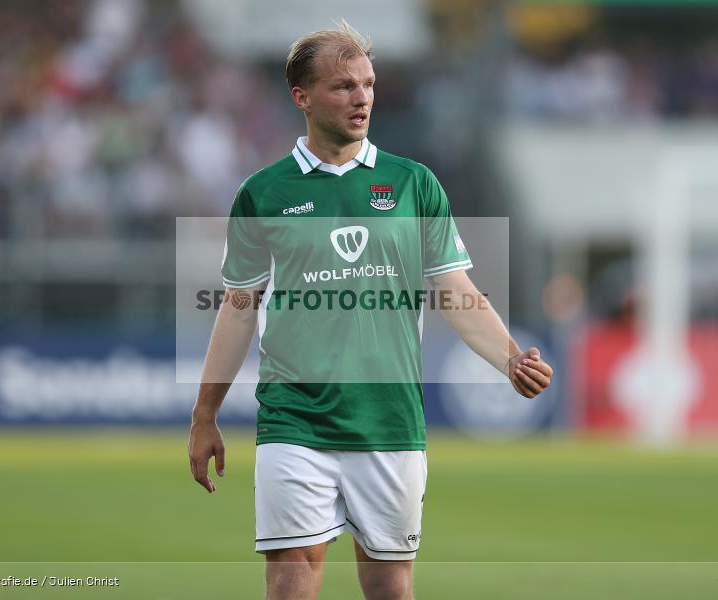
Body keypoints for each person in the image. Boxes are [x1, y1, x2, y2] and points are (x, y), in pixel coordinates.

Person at [187, 20, 553, 600]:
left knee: (389, 588)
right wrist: (205, 413)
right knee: (290, 582)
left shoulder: (413, 184)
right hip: (293, 418)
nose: (361, 98)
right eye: (343, 86)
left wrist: (509, 359)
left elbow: (455, 291)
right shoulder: (264, 193)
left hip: (389, 421)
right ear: (301, 98)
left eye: (368, 83)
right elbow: (236, 308)